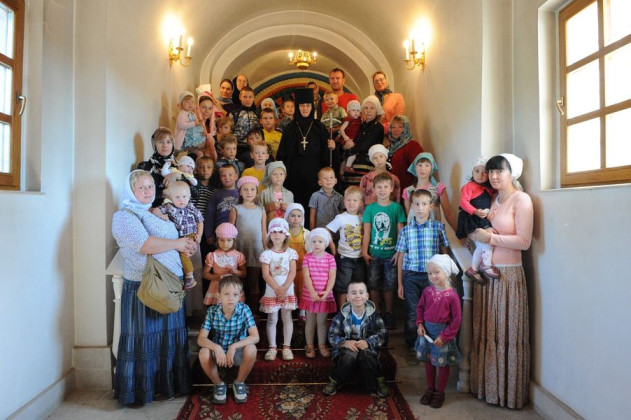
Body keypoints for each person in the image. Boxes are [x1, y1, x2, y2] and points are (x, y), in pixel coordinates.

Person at [111, 170, 194, 404]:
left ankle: (168, 386)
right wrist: (177, 243)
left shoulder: (155, 211)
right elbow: (145, 245)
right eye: (141, 187)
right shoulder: (124, 216)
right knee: (146, 340)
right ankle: (142, 391)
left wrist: (186, 246)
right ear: (131, 191)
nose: (148, 191)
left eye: (150, 186)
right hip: (146, 285)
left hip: (170, 284)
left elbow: (175, 238)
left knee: (168, 340)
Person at [469, 153, 533, 409]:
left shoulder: (521, 199)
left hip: (508, 276)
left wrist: (491, 238)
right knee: (490, 331)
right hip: (489, 273)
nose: (494, 176)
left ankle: (507, 393)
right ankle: (488, 389)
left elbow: (524, 242)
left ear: (511, 173)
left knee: (505, 333)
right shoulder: (494, 199)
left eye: (499, 171)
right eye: (491, 171)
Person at [396, 189, 450, 363]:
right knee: (413, 313)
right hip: (410, 276)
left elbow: (444, 253)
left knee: (432, 312)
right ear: (412, 206)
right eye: (417, 204)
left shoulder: (438, 228)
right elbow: (401, 257)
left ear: (431, 206)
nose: (420, 208)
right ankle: (413, 347)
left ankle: (429, 346)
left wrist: (446, 278)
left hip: (432, 278)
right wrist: (400, 283)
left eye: (424, 204)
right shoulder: (406, 231)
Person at [197, 276, 259, 405]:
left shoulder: (244, 309)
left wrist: (234, 346)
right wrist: (216, 348)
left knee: (251, 348)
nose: (231, 298)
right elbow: (201, 339)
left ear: (240, 296)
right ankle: (218, 384)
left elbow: (255, 336)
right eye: (226, 294)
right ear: (219, 295)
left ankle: (239, 382)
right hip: (219, 354)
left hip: (237, 353)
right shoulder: (212, 311)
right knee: (203, 352)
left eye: (235, 294)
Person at [323, 280, 389, 397]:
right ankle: (335, 380)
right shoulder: (340, 316)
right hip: (346, 350)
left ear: (367, 296)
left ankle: (377, 381)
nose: (357, 296)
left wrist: (368, 342)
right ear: (347, 297)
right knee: (348, 357)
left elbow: (382, 334)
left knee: (366, 356)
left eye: (361, 292)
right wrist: (344, 342)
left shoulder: (374, 315)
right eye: (353, 293)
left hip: (367, 349)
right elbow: (332, 336)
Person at [415, 254, 462, 409]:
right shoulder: (427, 291)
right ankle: (430, 389)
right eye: (430, 273)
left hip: (442, 334)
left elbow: (456, 320)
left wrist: (444, 337)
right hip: (427, 332)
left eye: (437, 272)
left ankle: (440, 392)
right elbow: (420, 309)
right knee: (429, 361)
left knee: (442, 363)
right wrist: (420, 324)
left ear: (446, 272)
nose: (433, 276)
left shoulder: (452, 296)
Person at [361, 172, 406, 329]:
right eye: (379, 187)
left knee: (389, 284)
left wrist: (398, 252)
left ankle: (388, 312)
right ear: (373, 189)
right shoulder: (370, 209)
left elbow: (401, 233)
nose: (382, 190)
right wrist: (364, 251)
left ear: (391, 188)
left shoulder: (397, 208)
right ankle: (376, 313)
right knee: (373, 283)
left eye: (385, 187)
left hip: (391, 255)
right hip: (374, 254)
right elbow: (367, 232)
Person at [276, 87, 330, 211]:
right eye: (302, 105)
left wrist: (333, 147)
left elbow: (326, 154)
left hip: (315, 175)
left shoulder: (319, 127)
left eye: (308, 105)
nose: (305, 108)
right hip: (294, 176)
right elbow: (283, 155)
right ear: (297, 107)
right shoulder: (290, 128)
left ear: (312, 107)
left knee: (314, 207)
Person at [152, 181, 204, 290]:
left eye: (184, 196)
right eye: (177, 197)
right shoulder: (168, 206)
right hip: (176, 237)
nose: (181, 200)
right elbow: (155, 210)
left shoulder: (191, 208)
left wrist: (199, 235)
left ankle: (190, 276)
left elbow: (200, 221)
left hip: (189, 235)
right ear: (171, 198)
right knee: (177, 256)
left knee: (184, 253)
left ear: (189, 196)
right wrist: (161, 215)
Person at [259, 218, 298, 361]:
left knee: (287, 318)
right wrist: (277, 289)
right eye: (274, 232)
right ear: (269, 234)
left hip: (287, 291)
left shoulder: (291, 253)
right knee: (272, 319)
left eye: (280, 232)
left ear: (285, 235)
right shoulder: (267, 254)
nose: (277, 234)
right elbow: (266, 274)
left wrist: (284, 288)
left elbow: (292, 272)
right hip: (272, 292)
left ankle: (286, 347)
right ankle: (272, 347)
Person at [456, 157, 498, 284]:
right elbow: (463, 202)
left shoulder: (488, 189)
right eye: (477, 171)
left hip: (481, 219)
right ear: (472, 172)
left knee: (481, 245)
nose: (480, 175)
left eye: (485, 172)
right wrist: (475, 211)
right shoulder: (469, 186)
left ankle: (473, 269)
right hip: (472, 219)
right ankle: (486, 264)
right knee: (487, 241)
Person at [299, 228, 337, 358]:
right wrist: (312, 293)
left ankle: (322, 344)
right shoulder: (307, 258)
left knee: (322, 321)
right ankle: (309, 345)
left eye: (320, 241)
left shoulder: (330, 259)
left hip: (324, 295)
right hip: (310, 295)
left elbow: (332, 277)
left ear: (325, 243)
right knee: (310, 320)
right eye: (314, 241)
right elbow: (306, 276)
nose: (316, 244)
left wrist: (327, 292)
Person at [229, 176, 267, 308]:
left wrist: (266, 249)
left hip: (256, 249)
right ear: (239, 192)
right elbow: (230, 231)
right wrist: (230, 250)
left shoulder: (261, 209)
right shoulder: (236, 208)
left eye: (252, 189)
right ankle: (239, 308)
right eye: (245, 189)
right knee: (238, 280)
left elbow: (264, 231)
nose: (249, 192)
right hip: (239, 248)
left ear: (257, 191)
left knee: (254, 281)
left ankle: (253, 310)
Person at [326, 186, 365, 309]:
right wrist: (333, 246)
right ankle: (342, 311)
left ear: (360, 203)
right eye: (348, 200)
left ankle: (357, 309)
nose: (351, 203)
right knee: (343, 286)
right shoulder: (341, 218)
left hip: (360, 257)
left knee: (358, 285)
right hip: (345, 258)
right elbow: (327, 230)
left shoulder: (363, 217)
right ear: (344, 201)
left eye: (355, 200)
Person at [402, 152, 457, 232]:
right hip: (415, 235)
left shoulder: (438, 188)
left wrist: (460, 235)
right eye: (420, 165)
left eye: (427, 165)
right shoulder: (408, 191)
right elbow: (409, 217)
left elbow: (448, 214)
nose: (423, 168)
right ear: (414, 167)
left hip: (434, 234)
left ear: (432, 168)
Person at [342, 96, 385, 186]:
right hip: (352, 166)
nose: (368, 111)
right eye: (366, 108)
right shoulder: (361, 125)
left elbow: (364, 146)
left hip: (366, 166)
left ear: (377, 110)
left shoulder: (378, 127)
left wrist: (349, 149)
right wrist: (345, 146)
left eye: (372, 108)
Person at [202, 223, 246, 306]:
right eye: (222, 240)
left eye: (229, 240)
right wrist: (217, 277)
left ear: (234, 240)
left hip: (233, 288)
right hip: (217, 288)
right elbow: (205, 274)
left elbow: (244, 274)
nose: (225, 244)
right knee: (218, 309)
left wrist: (235, 271)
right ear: (217, 240)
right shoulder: (212, 256)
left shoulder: (238, 256)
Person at [136, 127, 176, 207]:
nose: (165, 145)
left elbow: (194, 192)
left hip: (177, 211)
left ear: (172, 144)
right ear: (155, 144)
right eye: (161, 142)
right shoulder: (144, 167)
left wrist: (178, 175)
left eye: (168, 142)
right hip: (152, 210)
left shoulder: (180, 166)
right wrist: (162, 193)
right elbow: (139, 194)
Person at [284, 203, 311, 322]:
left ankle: (302, 311)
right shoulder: (284, 233)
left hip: (302, 267)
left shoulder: (307, 233)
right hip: (287, 268)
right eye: (293, 215)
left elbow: (310, 251)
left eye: (299, 216)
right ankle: (288, 311)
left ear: (303, 217)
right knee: (290, 289)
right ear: (287, 217)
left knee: (302, 289)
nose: (296, 219)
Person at [204, 164, 239, 248]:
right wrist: (209, 234)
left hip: (239, 233)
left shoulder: (241, 194)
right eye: (223, 175)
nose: (227, 178)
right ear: (219, 177)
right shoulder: (216, 195)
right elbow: (209, 215)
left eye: (230, 175)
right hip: (220, 234)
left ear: (236, 176)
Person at [385, 115, 423, 192]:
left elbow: (420, 170)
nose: (396, 130)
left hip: (406, 191)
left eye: (400, 127)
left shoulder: (412, 145)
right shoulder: (387, 148)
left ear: (406, 128)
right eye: (393, 127)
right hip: (388, 190)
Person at [229, 86, 260, 156]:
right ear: (240, 97)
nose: (248, 99)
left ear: (253, 98)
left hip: (255, 148)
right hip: (238, 148)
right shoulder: (234, 114)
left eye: (250, 97)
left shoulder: (257, 114)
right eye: (245, 97)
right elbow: (229, 132)